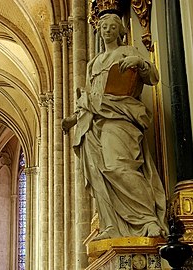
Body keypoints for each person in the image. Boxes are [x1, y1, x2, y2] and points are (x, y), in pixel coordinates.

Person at [62, 13, 168, 240]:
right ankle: (111, 225)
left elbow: (153, 77)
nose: (107, 30)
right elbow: (90, 97)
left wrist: (140, 63)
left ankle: (147, 219)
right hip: (93, 123)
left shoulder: (128, 51)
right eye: (103, 27)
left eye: (112, 26)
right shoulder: (93, 63)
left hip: (119, 118)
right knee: (100, 174)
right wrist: (73, 118)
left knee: (119, 167)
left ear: (120, 31)